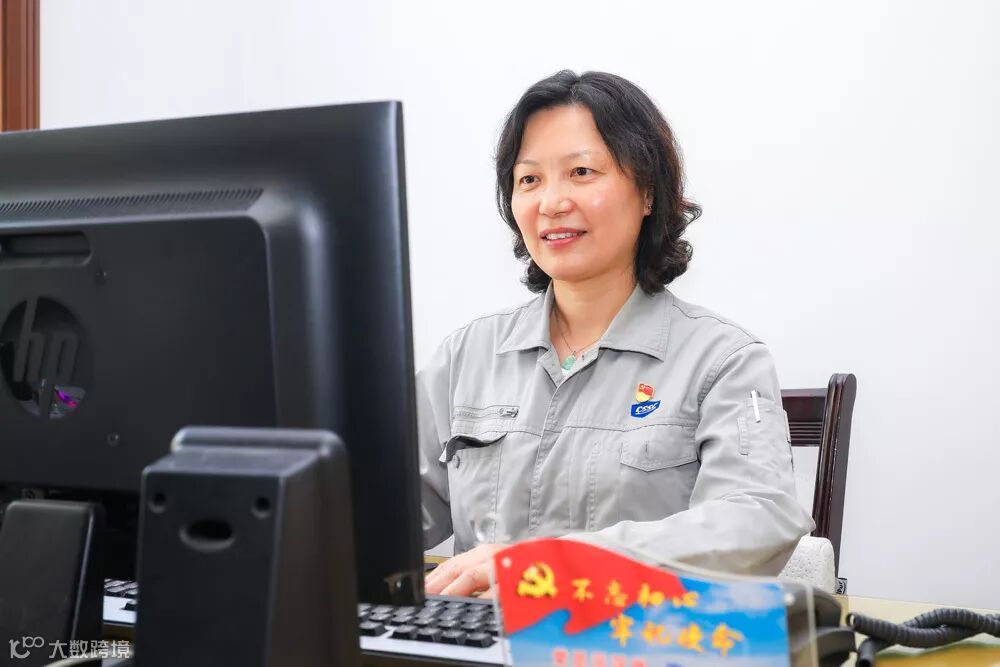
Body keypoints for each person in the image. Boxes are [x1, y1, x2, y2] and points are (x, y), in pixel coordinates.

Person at [419, 70, 814, 597]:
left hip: (636, 635)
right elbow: (379, 516)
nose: (551, 202)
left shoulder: (723, 360)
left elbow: (757, 519)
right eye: (529, 180)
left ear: (647, 192)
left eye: (581, 172)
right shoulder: (465, 355)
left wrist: (559, 564)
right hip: (480, 635)